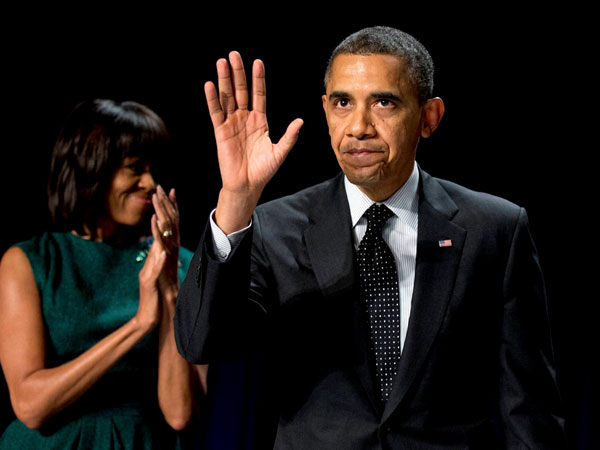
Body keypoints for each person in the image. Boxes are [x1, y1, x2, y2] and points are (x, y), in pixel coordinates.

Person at [174, 26, 566, 449]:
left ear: (429, 117)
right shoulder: (275, 228)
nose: (359, 127)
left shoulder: (495, 229)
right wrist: (236, 199)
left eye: (384, 102)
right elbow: (200, 342)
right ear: (325, 110)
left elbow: (529, 408)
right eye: (343, 103)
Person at [0, 99, 207, 449]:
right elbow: (30, 407)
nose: (150, 183)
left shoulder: (183, 264)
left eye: (152, 169)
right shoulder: (30, 261)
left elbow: (180, 414)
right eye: (135, 168)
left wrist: (170, 288)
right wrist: (139, 324)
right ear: (91, 169)